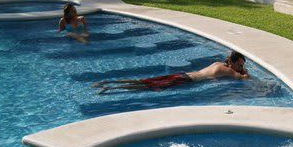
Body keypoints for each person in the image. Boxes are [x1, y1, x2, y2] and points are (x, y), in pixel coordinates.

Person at [92, 50, 249, 94]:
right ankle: (111, 89)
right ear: (232, 62)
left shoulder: (218, 63)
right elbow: (244, 78)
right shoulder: (227, 70)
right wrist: (245, 72)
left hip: (184, 74)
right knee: (146, 86)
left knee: (145, 81)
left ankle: (107, 83)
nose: (241, 68)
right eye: (240, 64)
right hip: (185, 80)